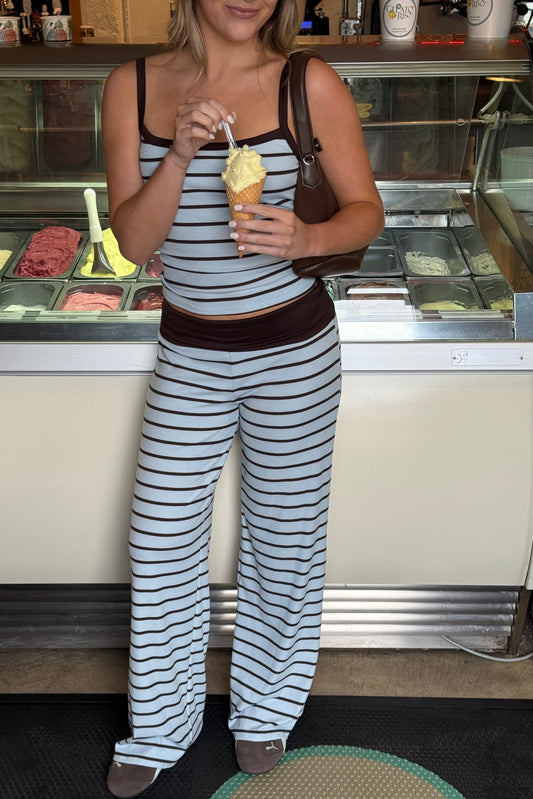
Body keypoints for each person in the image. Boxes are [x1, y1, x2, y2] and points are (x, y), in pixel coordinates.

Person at [102, 1, 384, 796]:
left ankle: (263, 710)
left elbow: (366, 209)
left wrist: (303, 238)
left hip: (294, 349)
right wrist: (180, 152)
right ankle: (159, 722)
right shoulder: (129, 86)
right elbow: (132, 243)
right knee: (160, 538)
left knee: (284, 535)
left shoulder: (307, 81)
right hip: (190, 351)